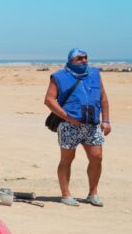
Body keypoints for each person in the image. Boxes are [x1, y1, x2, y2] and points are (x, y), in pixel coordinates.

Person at [44, 48, 111, 207]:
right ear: (71, 60)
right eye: (79, 58)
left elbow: (103, 98)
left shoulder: (95, 73)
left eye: (85, 57)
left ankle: (93, 194)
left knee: (97, 157)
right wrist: (68, 117)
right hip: (69, 125)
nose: (84, 61)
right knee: (67, 159)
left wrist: (106, 120)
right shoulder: (59, 76)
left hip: (92, 123)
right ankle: (66, 195)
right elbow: (49, 100)